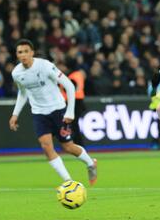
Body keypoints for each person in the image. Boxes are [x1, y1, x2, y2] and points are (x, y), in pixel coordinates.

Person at [9, 39, 97, 185]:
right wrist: (15, 113)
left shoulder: (45, 66)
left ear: (32, 53)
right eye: (20, 52)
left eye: (26, 51)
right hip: (39, 113)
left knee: (68, 147)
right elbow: (23, 92)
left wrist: (70, 112)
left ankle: (90, 163)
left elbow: (69, 85)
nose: (23, 55)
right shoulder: (16, 73)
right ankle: (69, 182)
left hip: (58, 110)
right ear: (17, 55)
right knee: (46, 146)